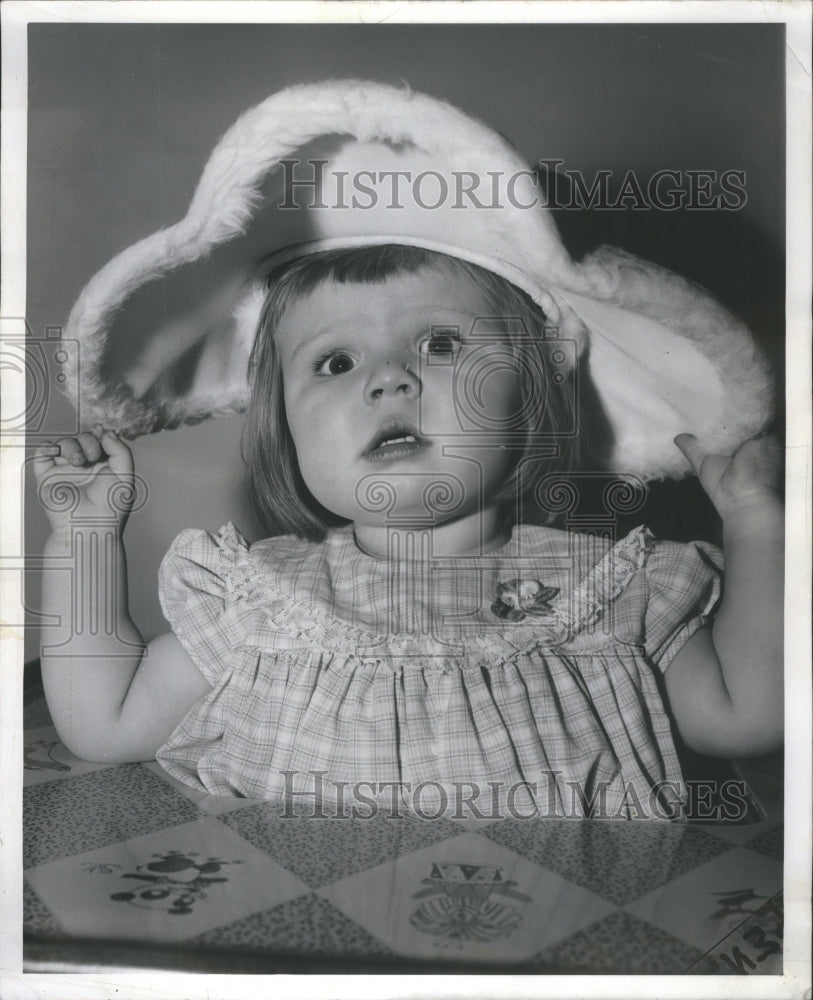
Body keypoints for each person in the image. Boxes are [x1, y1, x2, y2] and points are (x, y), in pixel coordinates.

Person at [33, 81, 783, 820]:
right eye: (334, 362)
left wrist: (758, 528)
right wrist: (88, 538)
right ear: (280, 422)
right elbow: (105, 726)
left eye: (440, 343)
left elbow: (745, 715)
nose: (389, 379)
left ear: (530, 393)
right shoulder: (262, 602)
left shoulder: (609, 592)